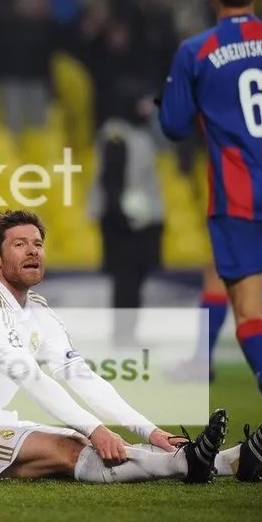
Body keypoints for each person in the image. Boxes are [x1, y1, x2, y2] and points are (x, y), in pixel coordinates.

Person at [0, 209, 262, 483]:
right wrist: (95, 427)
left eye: (38, 244)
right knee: (79, 443)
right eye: (20, 244)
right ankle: (189, 463)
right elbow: (33, 379)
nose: (33, 251)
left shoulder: (38, 312)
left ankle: (232, 461)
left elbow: (81, 376)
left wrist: (148, 430)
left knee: (83, 449)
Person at [159, 0, 262, 407]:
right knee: (244, 283)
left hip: (239, 195)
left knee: (248, 309)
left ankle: (205, 362)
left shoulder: (197, 51)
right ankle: (199, 359)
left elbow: (173, 125)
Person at [87, 90, 164, 347]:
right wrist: (121, 217)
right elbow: (112, 180)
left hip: (139, 219)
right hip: (123, 221)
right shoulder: (116, 134)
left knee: (134, 278)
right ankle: (123, 335)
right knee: (126, 279)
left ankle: (129, 333)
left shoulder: (138, 133)